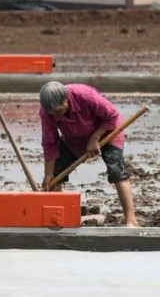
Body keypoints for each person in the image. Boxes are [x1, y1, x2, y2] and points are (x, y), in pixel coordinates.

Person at [38, 82, 138, 227]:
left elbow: (112, 116)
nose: (57, 115)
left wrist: (95, 138)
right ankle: (56, 219)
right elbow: (49, 143)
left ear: (66, 99)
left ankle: (131, 220)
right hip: (75, 138)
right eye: (53, 113)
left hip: (107, 132)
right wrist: (48, 174)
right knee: (55, 173)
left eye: (59, 111)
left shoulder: (84, 95)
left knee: (116, 171)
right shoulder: (46, 113)